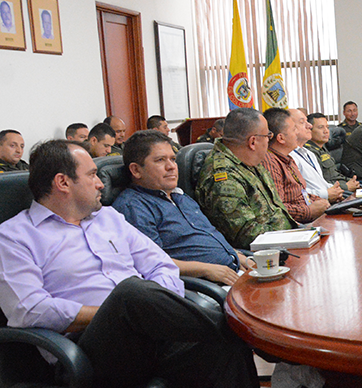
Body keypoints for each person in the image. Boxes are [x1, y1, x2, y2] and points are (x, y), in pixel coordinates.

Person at [0, 140, 269, 388]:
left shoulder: (109, 219)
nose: (101, 183)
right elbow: (28, 309)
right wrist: (118, 313)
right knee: (129, 294)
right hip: (87, 356)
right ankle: (257, 332)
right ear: (63, 182)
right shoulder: (14, 237)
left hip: (152, 335)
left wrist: (154, 311)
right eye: (91, 175)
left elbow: (162, 266)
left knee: (226, 350)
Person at [112, 130, 247, 286]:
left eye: (173, 159)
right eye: (160, 160)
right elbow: (155, 262)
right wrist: (207, 270)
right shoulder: (134, 207)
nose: (171, 167)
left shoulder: (180, 196)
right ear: (136, 170)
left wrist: (236, 254)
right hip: (204, 286)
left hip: (234, 271)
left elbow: (208, 235)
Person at [195, 108, 296, 250]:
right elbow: (247, 236)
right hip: (267, 254)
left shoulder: (249, 161)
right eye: (267, 136)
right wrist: (293, 239)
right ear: (253, 142)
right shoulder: (224, 176)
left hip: (286, 239)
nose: (269, 141)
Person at [261, 108, 330, 224]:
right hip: (297, 225)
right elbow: (278, 208)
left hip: (312, 217)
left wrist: (319, 201)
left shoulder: (289, 159)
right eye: (294, 130)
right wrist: (309, 210)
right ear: (281, 138)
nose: (297, 133)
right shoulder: (270, 162)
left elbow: (300, 194)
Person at [302, 113, 360, 192]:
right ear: (309, 130)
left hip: (342, 185)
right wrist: (346, 186)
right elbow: (320, 183)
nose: (326, 131)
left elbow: (334, 175)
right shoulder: (309, 152)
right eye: (320, 127)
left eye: (327, 127)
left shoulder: (322, 148)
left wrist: (351, 182)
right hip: (335, 191)